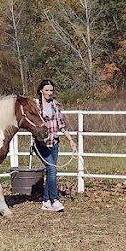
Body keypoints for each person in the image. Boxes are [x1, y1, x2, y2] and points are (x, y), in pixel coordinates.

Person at [35, 79, 69, 212]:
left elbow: (61, 124)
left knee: (51, 172)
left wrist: (70, 139)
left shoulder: (54, 104)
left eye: (51, 90)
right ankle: (54, 199)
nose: (49, 93)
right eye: (47, 90)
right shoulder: (36, 105)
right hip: (42, 144)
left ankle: (46, 201)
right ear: (41, 91)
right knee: (52, 170)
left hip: (54, 142)